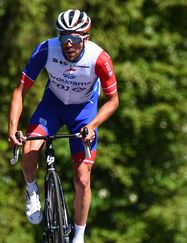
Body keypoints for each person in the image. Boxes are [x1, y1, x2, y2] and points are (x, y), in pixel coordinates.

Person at [8, 9, 119, 243]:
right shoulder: (46, 50)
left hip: (84, 113)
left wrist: (93, 125)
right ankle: (31, 191)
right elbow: (20, 91)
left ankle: (78, 235)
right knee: (29, 153)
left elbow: (113, 101)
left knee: (82, 178)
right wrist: (12, 128)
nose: (69, 44)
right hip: (52, 106)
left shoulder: (99, 58)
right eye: (64, 38)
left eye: (76, 39)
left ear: (86, 38)